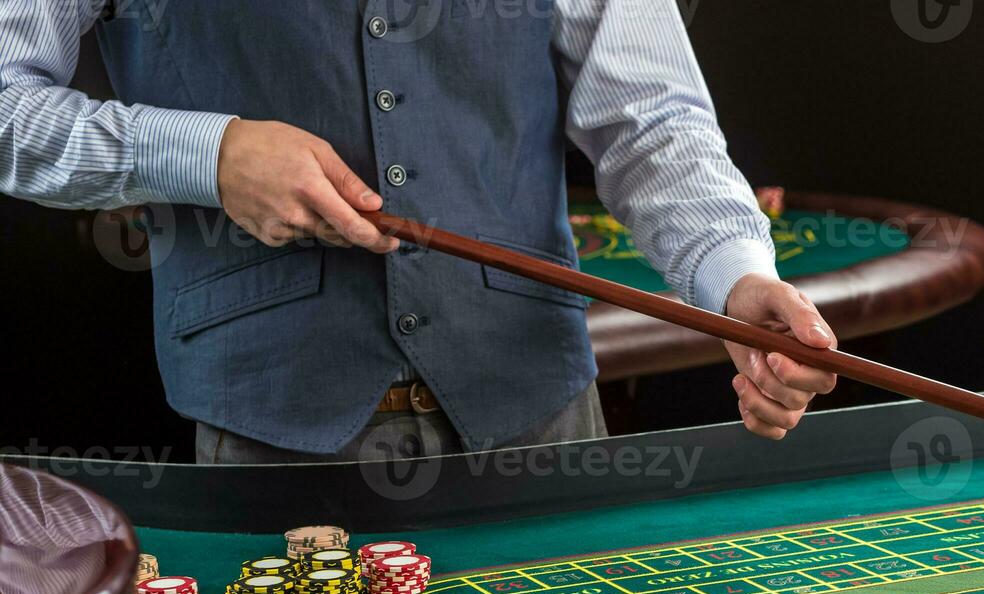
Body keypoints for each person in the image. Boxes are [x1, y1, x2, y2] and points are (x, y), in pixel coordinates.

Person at [0, 0, 838, 463]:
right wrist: (206, 154)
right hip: (273, 426)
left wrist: (736, 278)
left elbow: (650, 120)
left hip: (540, 418)